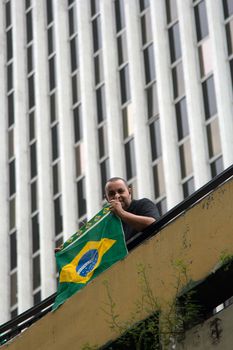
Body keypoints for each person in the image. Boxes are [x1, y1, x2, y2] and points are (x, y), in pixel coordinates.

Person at [105, 177, 160, 243]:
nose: (117, 196)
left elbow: (153, 224)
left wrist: (121, 213)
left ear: (129, 192)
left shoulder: (142, 204)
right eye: (112, 194)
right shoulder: (107, 224)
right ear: (107, 199)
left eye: (120, 191)